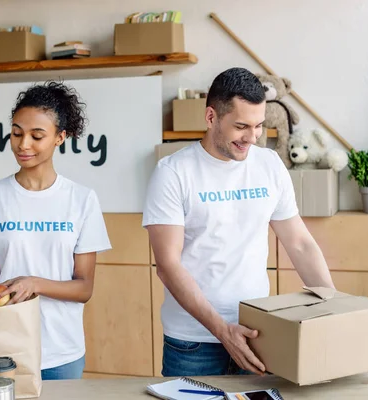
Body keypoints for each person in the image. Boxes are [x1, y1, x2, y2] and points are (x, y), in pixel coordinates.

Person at [142, 67, 335, 377]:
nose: (252, 137)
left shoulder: (269, 165)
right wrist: (223, 331)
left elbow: (299, 244)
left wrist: (331, 306)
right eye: (241, 126)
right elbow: (168, 265)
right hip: (194, 343)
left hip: (258, 334)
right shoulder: (173, 173)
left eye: (258, 126)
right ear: (210, 117)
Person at [0, 81, 112, 380]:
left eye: (37, 135)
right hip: (2, 349)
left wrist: (35, 283)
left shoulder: (82, 199)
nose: (23, 144)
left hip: (61, 351)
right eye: (17, 133)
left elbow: (84, 288)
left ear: (60, 137)